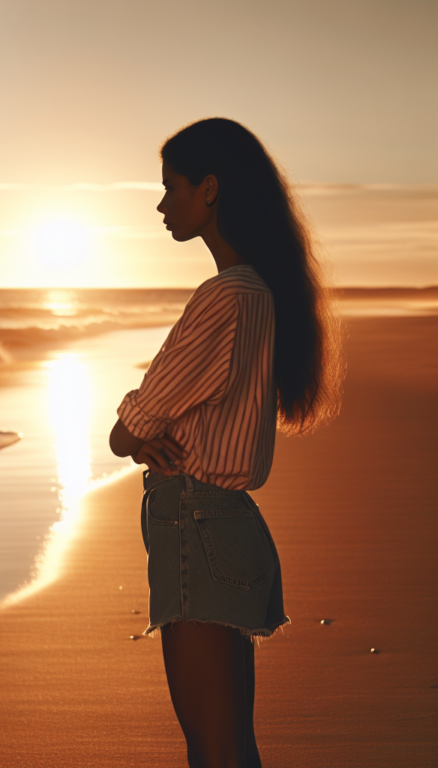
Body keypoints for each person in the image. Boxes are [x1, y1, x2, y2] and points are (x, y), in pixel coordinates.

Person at [109, 118, 343, 768]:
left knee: (213, 751)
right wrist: (146, 433)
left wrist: (136, 433)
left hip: (198, 527)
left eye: (171, 187)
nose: (161, 204)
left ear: (208, 189)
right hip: (228, 527)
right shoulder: (261, 295)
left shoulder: (223, 299)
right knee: (233, 747)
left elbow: (132, 425)